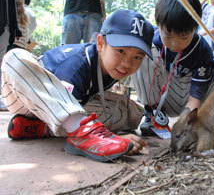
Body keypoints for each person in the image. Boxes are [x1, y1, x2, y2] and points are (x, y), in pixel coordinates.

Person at [1, 9, 154, 162]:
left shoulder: (110, 66)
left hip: (63, 110)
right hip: (26, 95)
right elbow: (64, 99)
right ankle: (83, 134)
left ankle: (37, 128)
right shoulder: (76, 64)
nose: (127, 63)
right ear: (100, 43)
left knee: (121, 113)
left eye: (137, 57)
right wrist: (112, 137)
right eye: (121, 51)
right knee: (14, 57)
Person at [131, 0, 214, 134]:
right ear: (158, 25)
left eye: (183, 37)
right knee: (140, 47)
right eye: (168, 36)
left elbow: (196, 97)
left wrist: (185, 123)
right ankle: (153, 116)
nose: (175, 44)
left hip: (195, 103)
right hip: (161, 101)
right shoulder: (152, 38)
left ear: (195, 29)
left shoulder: (201, 49)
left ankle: (209, 123)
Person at [0, 0, 22, 111]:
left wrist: (15, 29)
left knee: (1, 64)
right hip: (4, 27)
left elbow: (11, 7)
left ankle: (4, 97)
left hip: (6, 28)